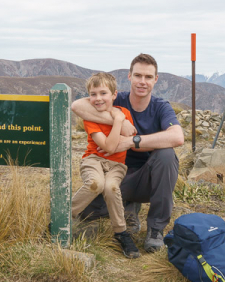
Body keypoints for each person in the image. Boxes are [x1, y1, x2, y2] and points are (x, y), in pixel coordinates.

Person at [72, 54, 184, 252]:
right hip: (113, 176)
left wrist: (131, 141)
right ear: (129, 76)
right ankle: (129, 207)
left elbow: (177, 137)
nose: (142, 81)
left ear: (155, 79)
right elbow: (77, 106)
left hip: (146, 179)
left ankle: (155, 230)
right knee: (87, 213)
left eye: (148, 77)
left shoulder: (160, 107)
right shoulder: (115, 98)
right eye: (138, 75)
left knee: (166, 155)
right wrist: (118, 121)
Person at [72, 72, 140, 259]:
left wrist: (121, 120)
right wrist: (117, 121)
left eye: (103, 93)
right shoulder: (91, 117)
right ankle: (65, 215)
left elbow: (129, 138)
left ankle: (121, 232)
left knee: (110, 187)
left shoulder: (125, 113)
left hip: (117, 164)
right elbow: (110, 146)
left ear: (114, 94)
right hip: (93, 159)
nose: (98, 98)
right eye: (93, 94)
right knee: (96, 183)